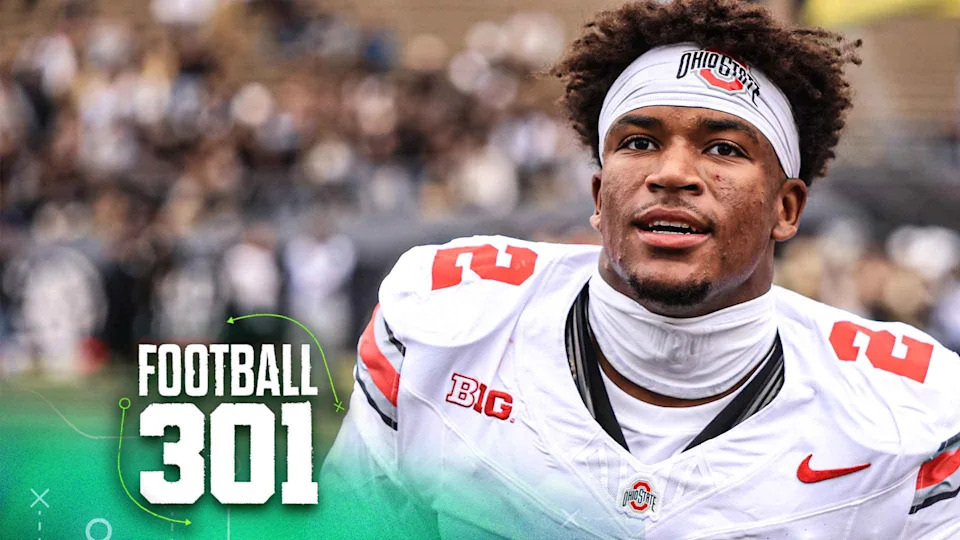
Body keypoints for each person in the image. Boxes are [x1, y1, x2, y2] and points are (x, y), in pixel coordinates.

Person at [318, 1, 960, 538]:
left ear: (785, 209)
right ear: (600, 196)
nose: (673, 173)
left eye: (723, 148)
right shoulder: (447, 321)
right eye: (639, 141)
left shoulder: (912, 414)